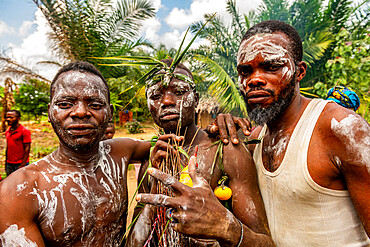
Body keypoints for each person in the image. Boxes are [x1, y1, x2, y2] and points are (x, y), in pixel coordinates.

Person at [209, 20, 370, 246]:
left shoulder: (341, 128)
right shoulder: (255, 139)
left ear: (299, 71)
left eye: (271, 67)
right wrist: (218, 136)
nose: (254, 79)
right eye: (245, 71)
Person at [0, 61, 153, 246]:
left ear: (110, 113)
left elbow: (173, 144)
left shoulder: (121, 152)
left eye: (95, 105)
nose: (80, 112)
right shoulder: (19, 192)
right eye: (65, 104)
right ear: (50, 111)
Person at [129, 59, 274, 246]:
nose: (166, 101)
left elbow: (263, 241)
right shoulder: (152, 159)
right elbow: (135, 242)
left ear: (196, 98)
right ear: (148, 104)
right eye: (156, 96)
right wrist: (155, 194)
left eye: (179, 92)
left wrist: (221, 225)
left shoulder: (226, 150)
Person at [4, 110, 31, 177]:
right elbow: (8, 147)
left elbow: (27, 147)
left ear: (18, 118)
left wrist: (23, 164)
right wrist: (6, 161)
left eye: (11, 117)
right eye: (7, 117)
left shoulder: (24, 131)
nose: (8, 119)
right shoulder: (8, 131)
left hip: (20, 163)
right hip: (9, 163)